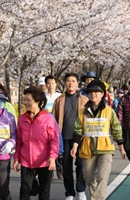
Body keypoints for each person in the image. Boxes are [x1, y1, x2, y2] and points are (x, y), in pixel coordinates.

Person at [70, 80, 126, 200]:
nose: (93, 94)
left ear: (102, 94)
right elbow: (78, 129)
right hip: (88, 149)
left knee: (102, 176)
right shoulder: (82, 112)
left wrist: (121, 146)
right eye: (90, 92)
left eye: (96, 91)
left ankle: (96, 198)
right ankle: (96, 195)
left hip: (105, 149)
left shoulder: (109, 111)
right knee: (88, 176)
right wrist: (75, 146)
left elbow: (116, 128)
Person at [13, 86, 59, 200]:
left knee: (44, 191)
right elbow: (19, 140)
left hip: (45, 160)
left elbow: (54, 139)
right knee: (25, 190)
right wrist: (16, 158)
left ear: (37, 101)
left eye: (28, 100)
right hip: (26, 160)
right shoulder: (22, 119)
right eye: (25, 100)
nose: (25, 103)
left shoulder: (48, 118)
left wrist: (53, 157)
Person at [52, 72, 88, 200]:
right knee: (66, 165)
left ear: (77, 83)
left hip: (81, 138)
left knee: (81, 164)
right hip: (64, 137)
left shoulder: (84, 100)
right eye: (68, 81)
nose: (70, 83)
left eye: (73, 81)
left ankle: (80, 190)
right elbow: (53, 120)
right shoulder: (59, 100)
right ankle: (70, 193)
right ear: (65, 83)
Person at [44, 75, 64, 180]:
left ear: (56, 84)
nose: (51, 85)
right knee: (48, 148)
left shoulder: (60, 96)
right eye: (49, 83)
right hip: (46, 126)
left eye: (53, 83)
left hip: (58, 125)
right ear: (46, 84)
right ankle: (49, 172)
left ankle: (59, 167)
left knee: (58, 147)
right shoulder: (43, 97)